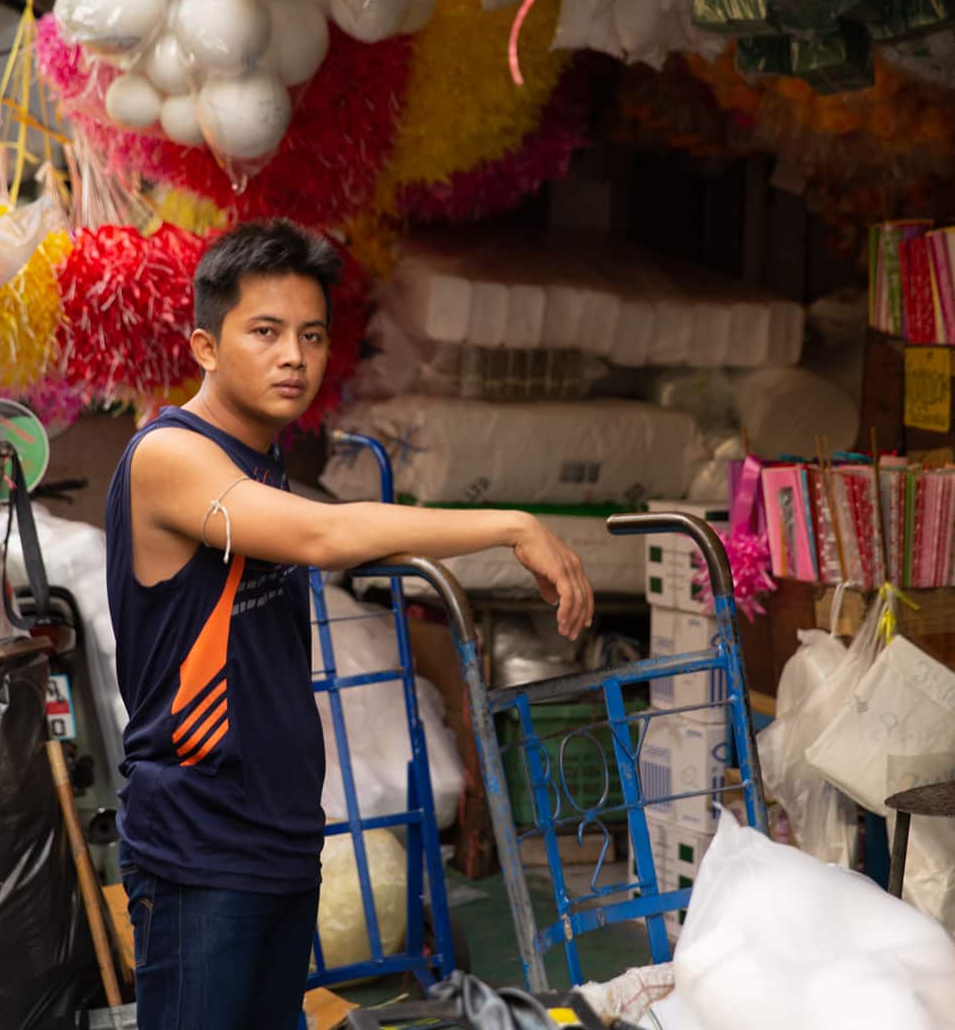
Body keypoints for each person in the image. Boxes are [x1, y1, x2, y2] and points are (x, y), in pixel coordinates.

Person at [106, 219, 594, 1030]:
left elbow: (331, 539)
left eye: (311, 335)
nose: (293, 356)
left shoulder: (256, 460)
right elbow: (324, 534)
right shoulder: (170, 456)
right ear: (205, 347)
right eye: (265, 332)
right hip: (199, 845)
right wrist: (511, 524)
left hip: (282, 835)